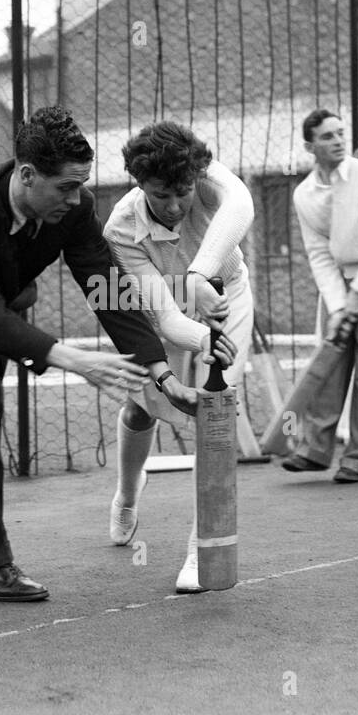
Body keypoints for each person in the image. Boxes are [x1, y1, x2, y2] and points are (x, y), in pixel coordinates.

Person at [0, 105, 197, 602]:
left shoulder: (73, 209)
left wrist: (161, 373)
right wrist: (72, 358)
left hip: (3, 297)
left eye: (81, 185)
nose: (77, 197)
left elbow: (105, 286)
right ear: (25, 174)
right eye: (65, 186)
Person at [103, 121, 250, 592]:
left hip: (227, 294)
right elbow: (165, 320)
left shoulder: (210, 181)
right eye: (160, 194)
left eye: (182, 192)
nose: (173, 206)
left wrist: (200, 278)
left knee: (216, 409)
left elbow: (242, 205)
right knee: (142, 407)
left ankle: (199, 548)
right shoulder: (122, 229)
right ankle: (128, 493)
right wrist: (202, 336)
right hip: (166, 306)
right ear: (139, 183)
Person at [285, 110, 358, 483]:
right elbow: (318, 252)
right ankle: (315, 450)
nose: (337, 141)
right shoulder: (303, 194)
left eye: (340, 133)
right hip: (339, 284)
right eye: (327, 136)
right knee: (331, 360)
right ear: (309, 146)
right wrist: (338, 305)